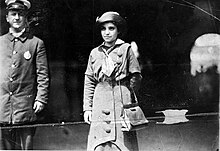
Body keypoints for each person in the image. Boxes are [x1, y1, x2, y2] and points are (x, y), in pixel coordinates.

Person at [83, 11, 142, 151]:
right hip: (99, 101)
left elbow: (136, 75)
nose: (107, 32)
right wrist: (87, 108)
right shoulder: (95, 53)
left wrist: (127, 95)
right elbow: (89, 80)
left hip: (120, 101)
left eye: (111, 28)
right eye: (103, 29)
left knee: (123, 143)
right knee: (100, 144)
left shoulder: (126, 49)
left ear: (118, 30)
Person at [0, 0, 49, 149]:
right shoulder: (1, 42)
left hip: (25, 105)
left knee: (26, 147)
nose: (16, 18)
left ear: (26, 18)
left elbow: (42, 74)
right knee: (6, 146)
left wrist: (41, 98)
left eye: (20, 14)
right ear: (7, 17)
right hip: (3, 105)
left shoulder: (35, 43)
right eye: (13, 14)